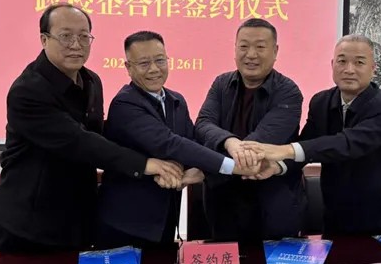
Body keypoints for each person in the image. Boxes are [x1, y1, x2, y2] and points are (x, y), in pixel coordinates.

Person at [0, 5, 183, 254]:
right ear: (44, 39)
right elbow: (81, 142)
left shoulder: (92, 81)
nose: (76, 44)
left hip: (80, 214)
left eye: (84, 36)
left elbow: (100, 134)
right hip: (33, 221)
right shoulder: (27, 91)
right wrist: (146, 164)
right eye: (66, 36)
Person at [97, 31, 265, 249]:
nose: (154, 69)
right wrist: (233, 166)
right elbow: (169, 144)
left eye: (160, 60)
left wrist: (197, 170)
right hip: (126, 223)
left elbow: (192, 143)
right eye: (144, 63)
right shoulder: (125, 104)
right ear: (128, 67)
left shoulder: (176, 100)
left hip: (164, 221)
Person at [242, 34, 381, 236]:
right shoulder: (321, 102)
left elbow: (346, 144)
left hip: (378, 220)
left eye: (359, 62)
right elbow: (306, 145)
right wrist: (276, 166)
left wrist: (283, 150)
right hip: (334, 217)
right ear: (332, 65)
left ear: (373, 68)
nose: (349, 69)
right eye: (342, 61)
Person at [195, 18, 305, 243]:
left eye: (260, 47)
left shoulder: (288, 92)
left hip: (271, 202)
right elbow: (204, 123)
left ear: (275, 51)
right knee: (224, 260)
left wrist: (216, 157)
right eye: (244, 46)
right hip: (222, 202)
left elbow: (259, 145)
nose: (251, 55)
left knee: (270, 263)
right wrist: (229, 141)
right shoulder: (221, 84)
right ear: (235, 49)